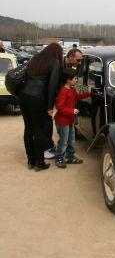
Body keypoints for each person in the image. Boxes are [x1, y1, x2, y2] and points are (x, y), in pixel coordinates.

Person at [18, 42, 63, 171]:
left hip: (23, 96)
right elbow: (52, 85)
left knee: (28, 129)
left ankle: (30, 161)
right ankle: (39, 163)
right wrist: (50, 106)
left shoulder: (35, 58)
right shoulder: (55, 61)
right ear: (57, 52)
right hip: (38, 98)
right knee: (39, 130)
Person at [54, 68, 90, 169]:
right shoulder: (63, 91)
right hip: (62, 121)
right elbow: (59, 107)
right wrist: (71, 111)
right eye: (74, 78)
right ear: (67, 79)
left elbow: (77, 96)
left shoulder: (71, 89)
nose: (76, 80)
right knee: (63, 141)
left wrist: (87, 93)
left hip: (70, 120)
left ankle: (70, 156)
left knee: (71, 140)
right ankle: (59, 158)